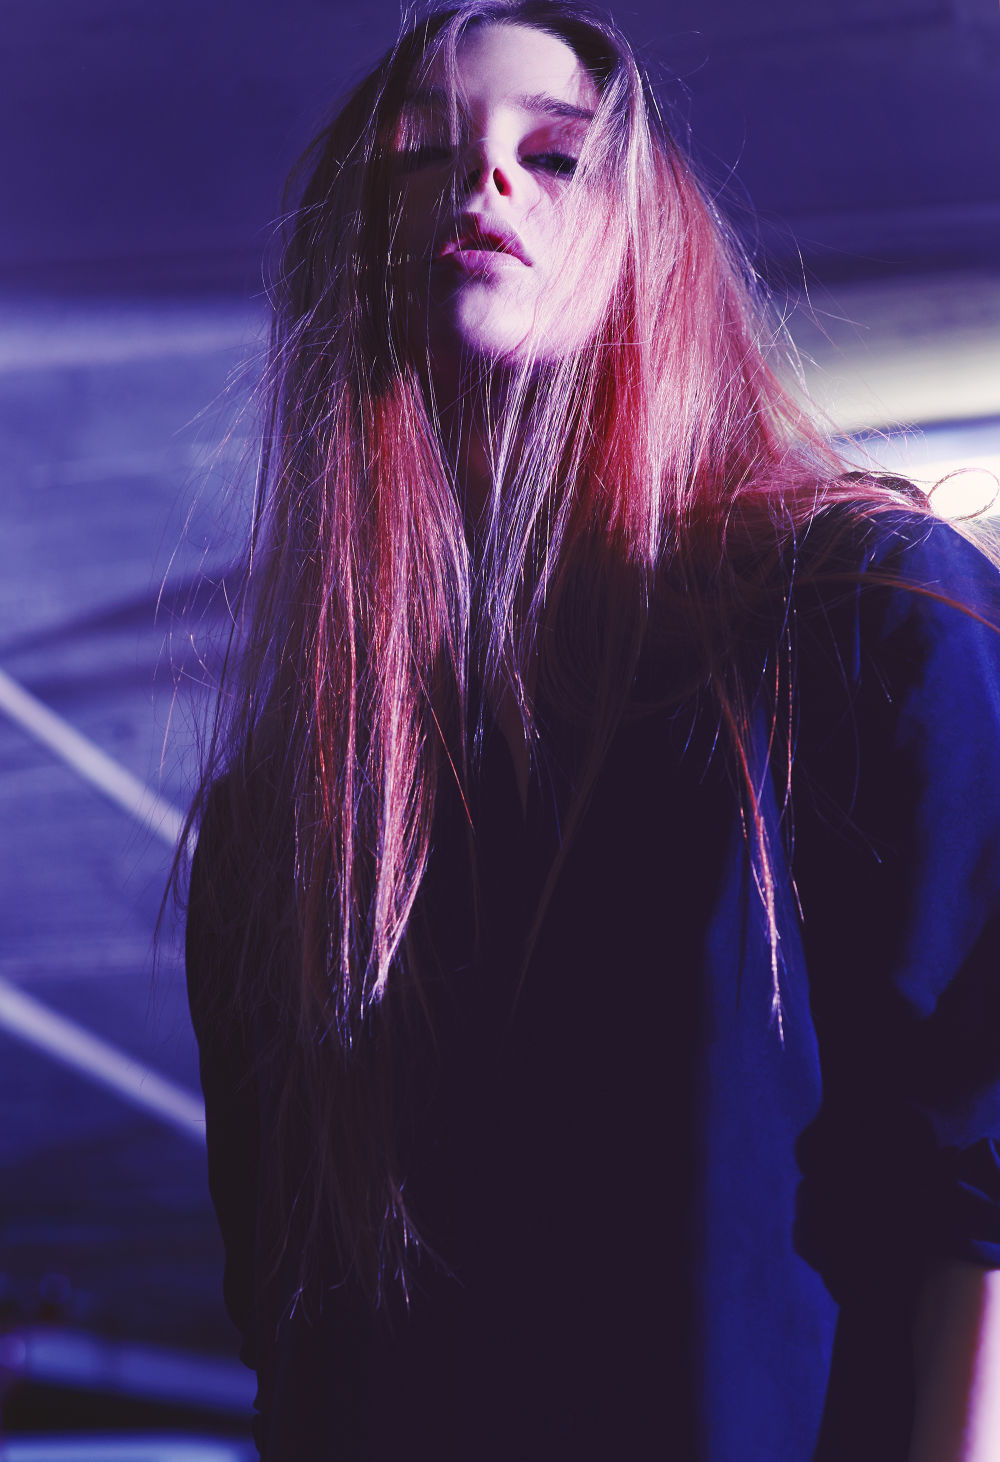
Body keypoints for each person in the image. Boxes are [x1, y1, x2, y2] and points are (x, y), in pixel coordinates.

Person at [183, 3, 1000, 1457]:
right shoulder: (289, 819)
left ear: (650, 242)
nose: (481, 176)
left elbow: (975, 1190)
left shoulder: (864, 619)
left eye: (557, 155)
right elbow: (293, 1335)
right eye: (416, 155)